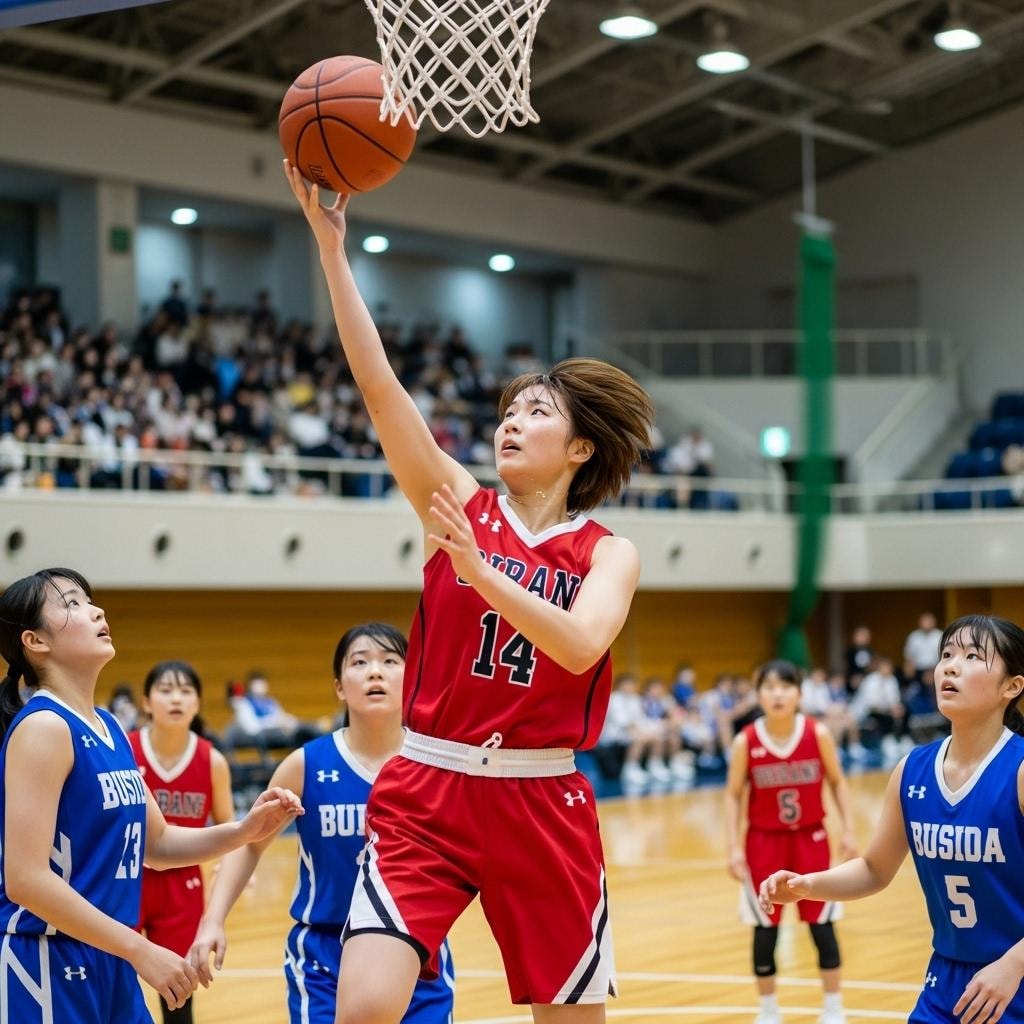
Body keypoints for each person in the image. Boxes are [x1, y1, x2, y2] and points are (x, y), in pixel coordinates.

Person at [285, 158, 655, 1024]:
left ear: (581, 449)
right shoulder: (458, 502)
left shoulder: (609, 552)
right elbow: (381, 393)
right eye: (508, 412)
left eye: (536, 413)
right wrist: (332, 252)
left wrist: (483, 575)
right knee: (363, 1008)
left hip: (542, 797)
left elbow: (579, 645)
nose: (511, 423)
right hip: (430, 784)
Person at [0, 567, 303, 1024]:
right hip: (48, 960)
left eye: (90, 600)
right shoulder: (44, 727)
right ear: (35, 641)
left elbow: (157, 845)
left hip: (110, 958)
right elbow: (25, 879)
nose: (96, 611)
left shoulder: (109, 727)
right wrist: (140, 949)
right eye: (72, 604)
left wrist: (243, 831)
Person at [760, 615, 1024, 1024]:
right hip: (947, 979)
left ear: (1012, 686)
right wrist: (808, 885)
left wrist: (1014, 965)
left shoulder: (1018, 770)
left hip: (1015, 974)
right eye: (947, 654)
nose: (951, 667)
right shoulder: (912, 770)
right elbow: (874, 869)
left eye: (973, 657)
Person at [189, 622, 454, 1023]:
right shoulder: (305, 765)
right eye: (360, 662)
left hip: (418, 953)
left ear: (413, 676)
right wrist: (213, 921)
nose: (375, 672)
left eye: (390, 661)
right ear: (339, 687)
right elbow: (250, 844)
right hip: (326, 958)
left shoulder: (436, 767)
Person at [725, 660, 857, 1024]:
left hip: (811, 839)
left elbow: (838, 781)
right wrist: (732, 847)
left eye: (785, 686)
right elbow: (733, 794)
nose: (778, 694)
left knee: (822, 924)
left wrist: (849, 829)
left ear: (799, 693)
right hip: (763, 842)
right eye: (769, 687)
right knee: (764, 928)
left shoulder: (818, 733)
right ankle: (768, 1010)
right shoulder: (746, 740)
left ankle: (834, 1007)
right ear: (758, 695)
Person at [130, 661, 235, 1024]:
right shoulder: (124, 750)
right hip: (128, 878)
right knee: (113, 980)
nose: (176, 698)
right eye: (165, 690)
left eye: (185, 691)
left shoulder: (212, 761)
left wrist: (233, 867)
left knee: (178, 990)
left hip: (182, 886)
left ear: (197, 704)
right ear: (146, 702)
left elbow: (228, 827)